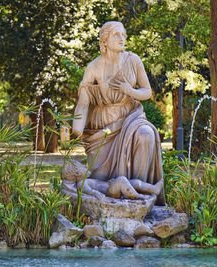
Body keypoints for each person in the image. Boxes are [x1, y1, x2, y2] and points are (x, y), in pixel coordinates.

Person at [72, 21, 165, 205]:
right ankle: (115, 200)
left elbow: (147, 92)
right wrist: (76, 130)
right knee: (102, 180)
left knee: (146, 135)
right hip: (103, 126)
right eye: (116, 35)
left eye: (123, 35)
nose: (122, 38)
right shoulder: (94, 67)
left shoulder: (133, 60)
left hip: (131, 117)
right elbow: (83, 103)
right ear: (104, 40)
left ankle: (140, 194)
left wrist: (130, 90)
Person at [61, 160, 163, 200]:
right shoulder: (81, 184)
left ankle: (153, 189)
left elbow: (99, 184)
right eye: (82, 167)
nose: (85, 167)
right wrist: (96, 194)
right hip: (109, 193)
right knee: (122, 180)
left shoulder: (86, 181)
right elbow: (91, 192)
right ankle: (138, 196)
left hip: (109, 186)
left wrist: (110, 182)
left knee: (134, 182)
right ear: (78, 173)